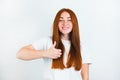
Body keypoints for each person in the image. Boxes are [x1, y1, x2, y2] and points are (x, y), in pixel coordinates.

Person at [17, 8, 92, 80]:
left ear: (74, 23)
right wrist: (45, 53)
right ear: (57, 23)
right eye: (61, 20)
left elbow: (85, 77)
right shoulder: (47, 41)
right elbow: (20, 54)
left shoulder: (82, 47)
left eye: (69, 20)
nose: (65, 23)